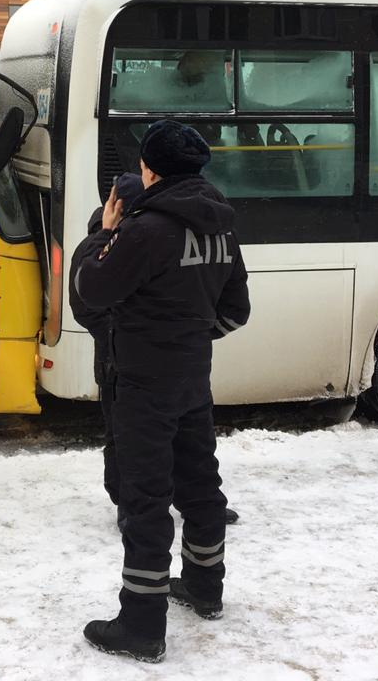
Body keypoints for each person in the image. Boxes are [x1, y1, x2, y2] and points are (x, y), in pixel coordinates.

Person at [74, 119, 251, 662]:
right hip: (193, 378)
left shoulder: (146, 229)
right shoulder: (220, 224)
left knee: (145, 497)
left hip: (145, 383)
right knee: (199, 483)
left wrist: (104, 234)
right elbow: (236, 312)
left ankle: (142, 625)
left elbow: (91, 290)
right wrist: (191, 341)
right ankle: (204, 588)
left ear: (150, 171)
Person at [69, 173, 241, 531]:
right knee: (123, 435)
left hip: (166, 357)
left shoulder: (150, 235)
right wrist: (125, 335)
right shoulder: (95, 244)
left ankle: (193, 498)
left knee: (186, 432)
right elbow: (84, 306)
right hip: (119, 359)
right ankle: (128, 503)